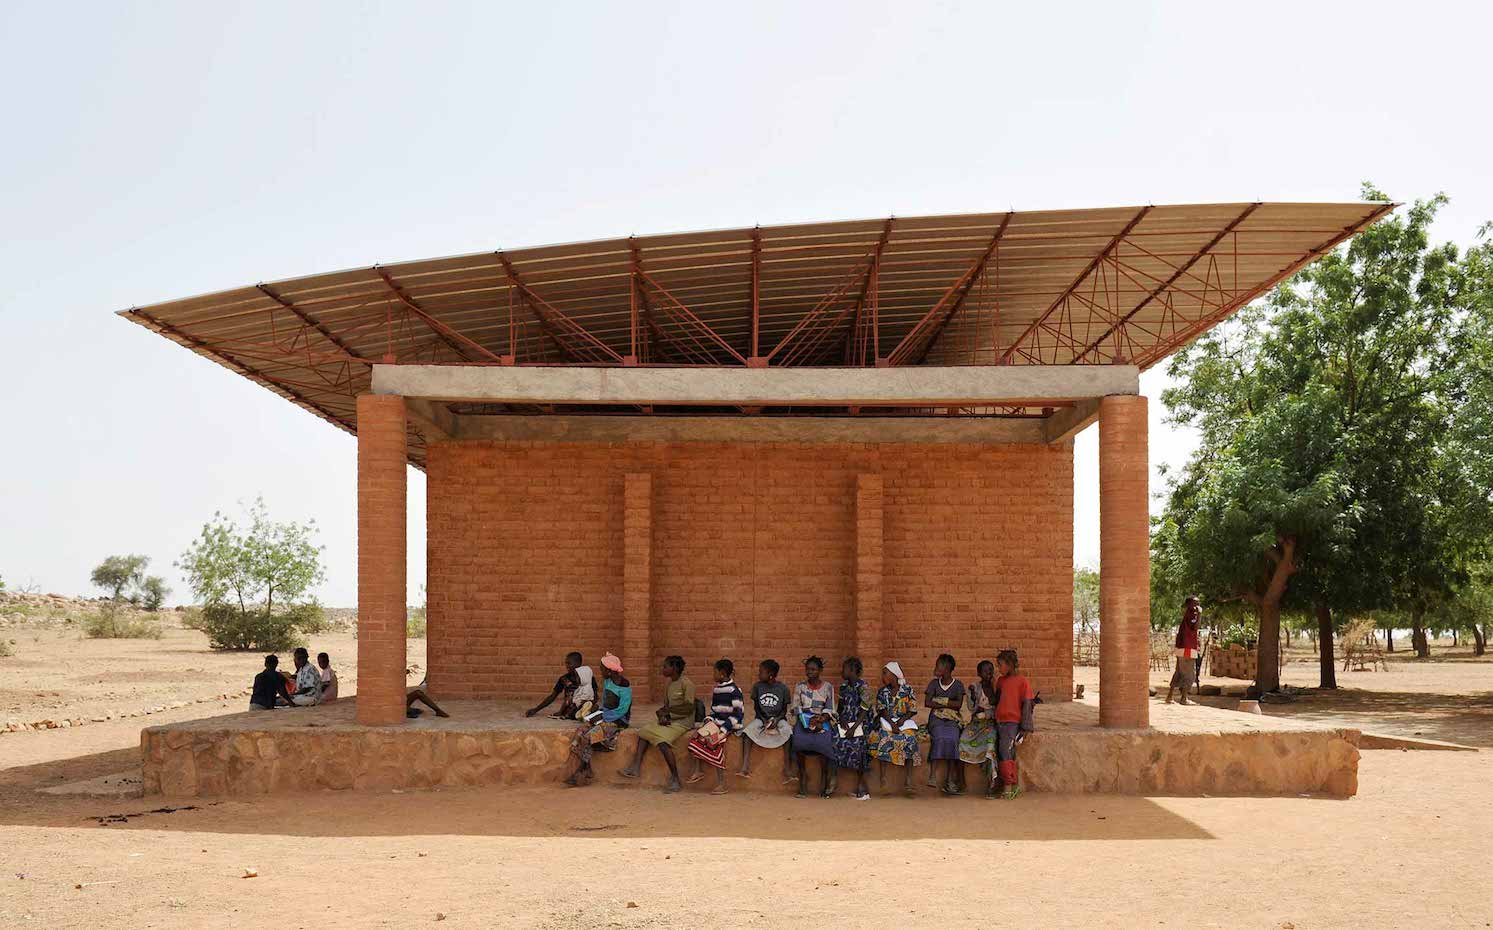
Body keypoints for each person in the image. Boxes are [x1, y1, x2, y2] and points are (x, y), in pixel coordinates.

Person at [618, 655, 695, 793]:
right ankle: (635, 767)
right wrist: (663, 716)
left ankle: (675, 779)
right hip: (671, 720)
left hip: (683, 722)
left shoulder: (687, 684)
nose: (662, 669)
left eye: (665, 666)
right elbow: (666, 706)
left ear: (675, 668)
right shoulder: (669, 684)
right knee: (644, 731)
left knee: (662, 741)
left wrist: (668, 712)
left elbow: (689, 708)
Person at [565, 653, 632, 787]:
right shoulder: (608, 681)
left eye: (602, 669)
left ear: (609, 671)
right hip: (605, 714)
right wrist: (597, 714)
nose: (600, 671)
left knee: (589, 736)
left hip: (618, 720)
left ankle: (580, 771)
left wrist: (603, 718)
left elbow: (623, 710)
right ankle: (587, 769)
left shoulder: (624, 686)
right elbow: (606, 704)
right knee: (580, 731)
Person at [686, 658, 745, 795]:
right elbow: (714, 711)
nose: (713, 674)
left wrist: (723, 729)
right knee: (696, 737)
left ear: (722, 673)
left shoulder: (734, 691)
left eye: (715, 672)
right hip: (717, 723)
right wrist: (708, 720)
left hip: (730, 725)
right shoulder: (717, 689)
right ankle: (697, 770)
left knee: (715, 744)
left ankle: (721, 783)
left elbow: (737, 715)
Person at [867, 661, 921, 796]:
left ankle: (909, 780)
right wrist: (892, 724)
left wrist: (901, 722)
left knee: (910, 739)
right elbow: (882, 710)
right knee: (884, 738)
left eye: (885, 673)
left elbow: (912, 709)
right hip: (887, 722)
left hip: (903, 723)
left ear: (894, 675)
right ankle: (883, 779)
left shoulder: (907, 690)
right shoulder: (882, 692)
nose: (882, 676)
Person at [789, 656, 836, 799]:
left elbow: (830, 708)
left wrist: (822, 718)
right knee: (797, 741)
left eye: (813, 669)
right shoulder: (800, 686)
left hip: (822, 721)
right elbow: (795, 707)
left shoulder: (828, 687)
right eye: (808, 669)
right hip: (805, 721)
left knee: (826, 743)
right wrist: (805, 719)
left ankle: (824, 779)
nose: (809, 672)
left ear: (820, 670)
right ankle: (802, 778)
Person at [992, 649, 1037, 800]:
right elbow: (997, 701)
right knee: (1001, 752)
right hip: (999, 721)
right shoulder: (1000, 681)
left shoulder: (1022, 682)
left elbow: (1027, 705)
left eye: (1001, 665)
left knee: (1006, 751)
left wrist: (1025, 727)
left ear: (1010, 665)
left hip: (1012, 723)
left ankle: (1008, 787)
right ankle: (1008, 785)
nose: (999, 669)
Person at [737, 659, 792, 780]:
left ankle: (787, 768)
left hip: (779, 718)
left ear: (771, 674)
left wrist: (776, 720)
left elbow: (784, 710)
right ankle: (745, 767)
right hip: (761, 718)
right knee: (747, 733)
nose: (758, 674)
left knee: (789, 733)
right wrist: (764, 719)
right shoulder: (757, 687)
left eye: (761, 672)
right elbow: (757, 707)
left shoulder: (783, 689)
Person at [831, 656, 872, 800]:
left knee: (860, 744)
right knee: (833, 739)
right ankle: (833, 779)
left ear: (852, 670)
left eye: (844, 669)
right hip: (846, 722)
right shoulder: (843, 687)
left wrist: (854, 728)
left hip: (861, 724)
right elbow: (840, 708)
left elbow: (865, 711)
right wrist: (842, 719)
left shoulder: (864, 687)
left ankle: (861, 783)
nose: (842, 671)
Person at [924, 653, 965, 795]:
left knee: (953, 739)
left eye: (938, 665)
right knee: (939, 737)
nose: (935, 668)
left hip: (952, 720)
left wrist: (939, 701)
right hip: (936, 719)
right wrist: (948, 702)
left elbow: (958, 705)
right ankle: (932, 775)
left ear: (947, 668)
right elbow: (927, 702)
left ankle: (949, 780)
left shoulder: (958, 685)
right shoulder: (933, 684)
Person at [958, 659, 999, 797]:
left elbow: (999, 707)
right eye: (986, 671)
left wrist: (987, 712)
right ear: (979, 673)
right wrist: (975, 699)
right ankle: (960, 781)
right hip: (976, 724)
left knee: (990, 746)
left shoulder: (997, 687)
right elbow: (971, 708)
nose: (989, 673)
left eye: (991, 670)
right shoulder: (974, 688)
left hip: (991, 724)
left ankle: (992, 784)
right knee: (962, 740)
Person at [525, 652, 594, 719]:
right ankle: (580, 714)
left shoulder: (588, 677)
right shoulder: (564, 679)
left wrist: (587, 703)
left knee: (593, 708)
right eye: (566, 663)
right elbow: (553, 696)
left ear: (579, 664)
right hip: (569, 709)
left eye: (569, 663)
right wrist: (536, 709)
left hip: (585, 705)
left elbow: (594, 695)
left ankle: (584, 713)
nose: (567, 666)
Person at [1166, 597, 1202, 705]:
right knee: (1190, 674)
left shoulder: (1187, 614)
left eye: (1198, 603)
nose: (1198, 606)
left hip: (1181, 646)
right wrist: (1200, 614)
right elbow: (1195, 627)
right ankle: (1184, 698)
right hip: (1187, 647)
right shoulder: (1193, 615)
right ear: (1190, 604)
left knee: (1179, 672)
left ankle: (1170, 696)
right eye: (1196, 603)